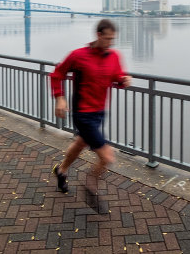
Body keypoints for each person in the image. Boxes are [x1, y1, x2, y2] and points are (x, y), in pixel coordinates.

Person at [49, 19, 131, 208]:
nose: (111, 43)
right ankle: (91, 183)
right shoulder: (78, 55)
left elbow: (116, 77)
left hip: (100, 112)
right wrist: (59, 98)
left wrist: (123, 80)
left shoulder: (114, 56)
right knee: (107, 157)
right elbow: (57, 74)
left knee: (80, 143)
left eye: (113, 39)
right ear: (99, 35)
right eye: (108, 38)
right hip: (82, 113)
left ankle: (61, 171)